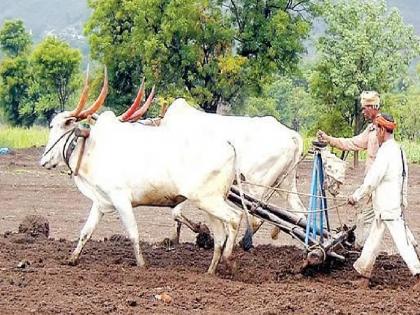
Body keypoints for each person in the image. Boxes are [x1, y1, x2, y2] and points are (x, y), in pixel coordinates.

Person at [347, 113, 420, 290]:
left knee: (402, 242)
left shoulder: (385, 152)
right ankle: (364, 276)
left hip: (388, 207)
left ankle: (418, 274)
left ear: (381, 130)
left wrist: (356, 196)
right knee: (373, 240)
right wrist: (403, 201)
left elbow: (372, 179)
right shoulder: (399, 150)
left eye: (376, 130)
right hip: (389, 206)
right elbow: (405, 176)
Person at [317, 91, 380, 247]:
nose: (363, 112)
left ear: (372, 107)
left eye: (365, 108)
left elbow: (382, 164)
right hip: (373, 185)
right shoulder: (371, 128)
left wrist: (358, 194)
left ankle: (361, 254)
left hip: (379, 184)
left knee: (370, 220)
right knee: (390, 221)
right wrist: (330, 140)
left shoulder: (381, 128)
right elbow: (353, 143)